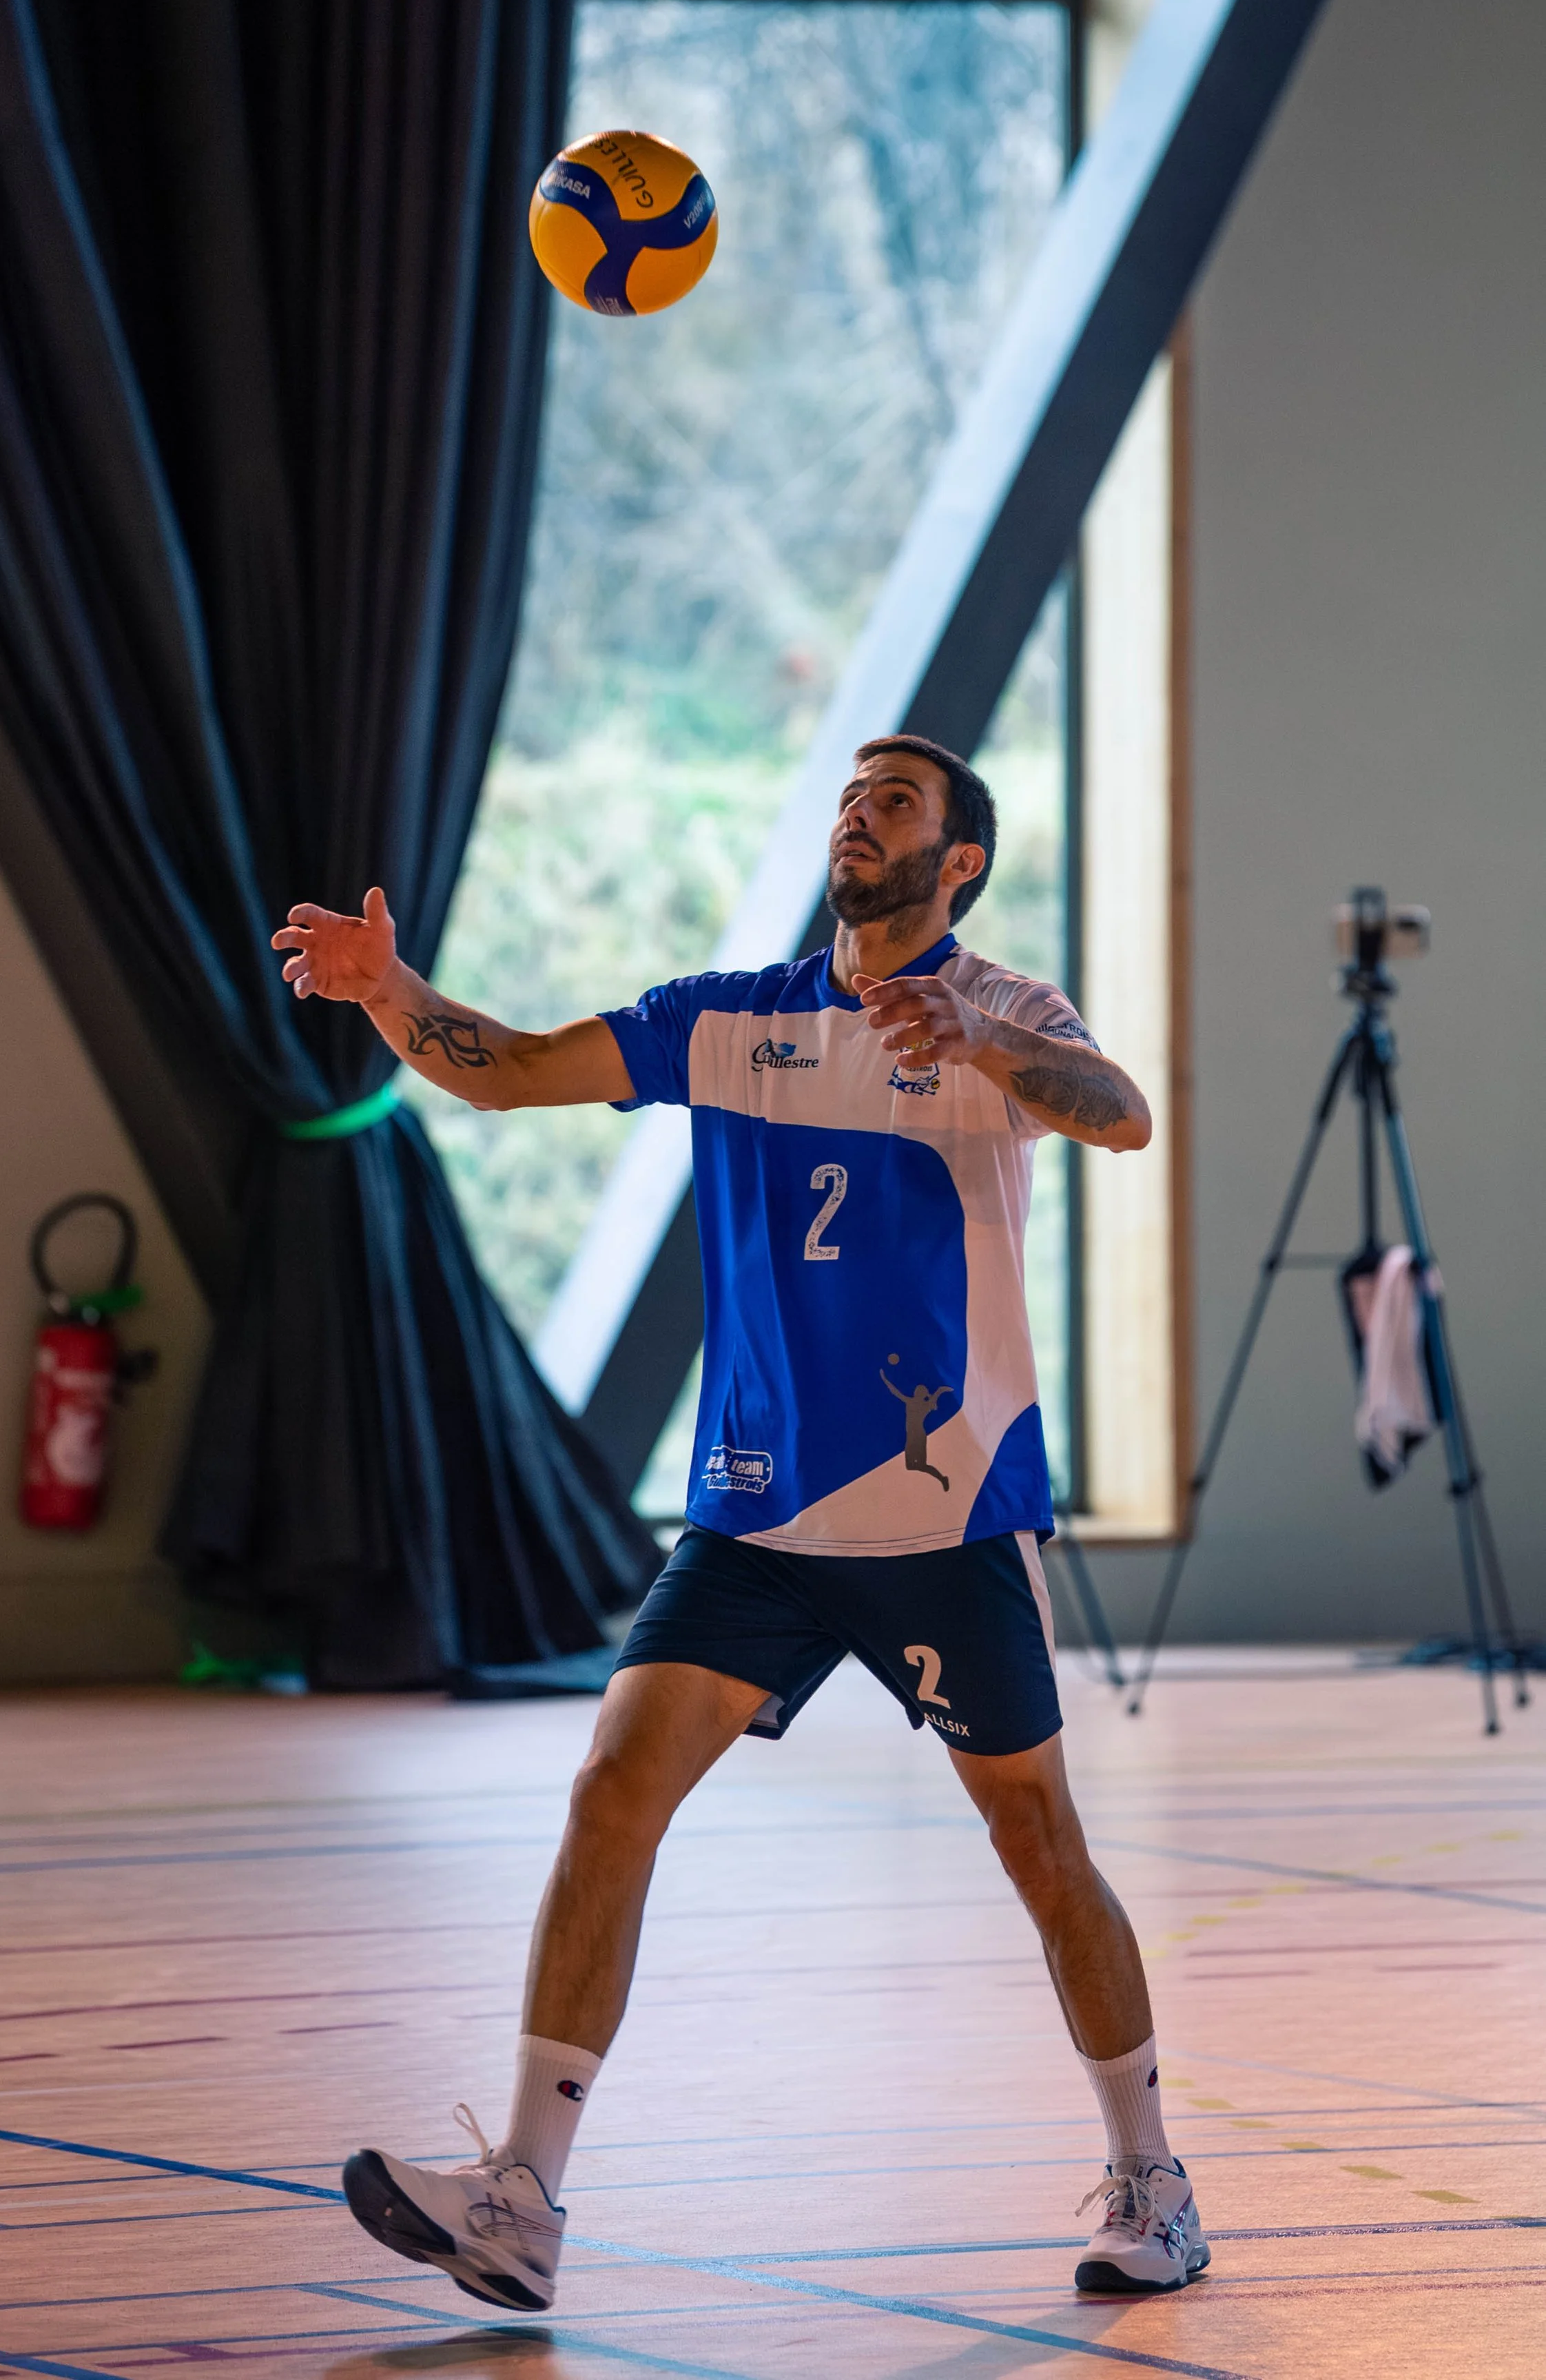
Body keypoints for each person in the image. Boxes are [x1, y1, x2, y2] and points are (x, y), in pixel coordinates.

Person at [271, 733, 1209, 2313]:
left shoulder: (1006, 1014)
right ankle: (521, 2196)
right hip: (755, 1520)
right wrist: (385, 990)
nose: (861, 814)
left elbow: (1113, 1114)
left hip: (942, 1509)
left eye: (896, 800)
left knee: (1039, 1847)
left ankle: (1153, 2182)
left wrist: (978, 1038)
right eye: (850, 795)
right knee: (609, 1789)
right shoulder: (725, 1021)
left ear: (957, 859)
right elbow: (501, 1065)